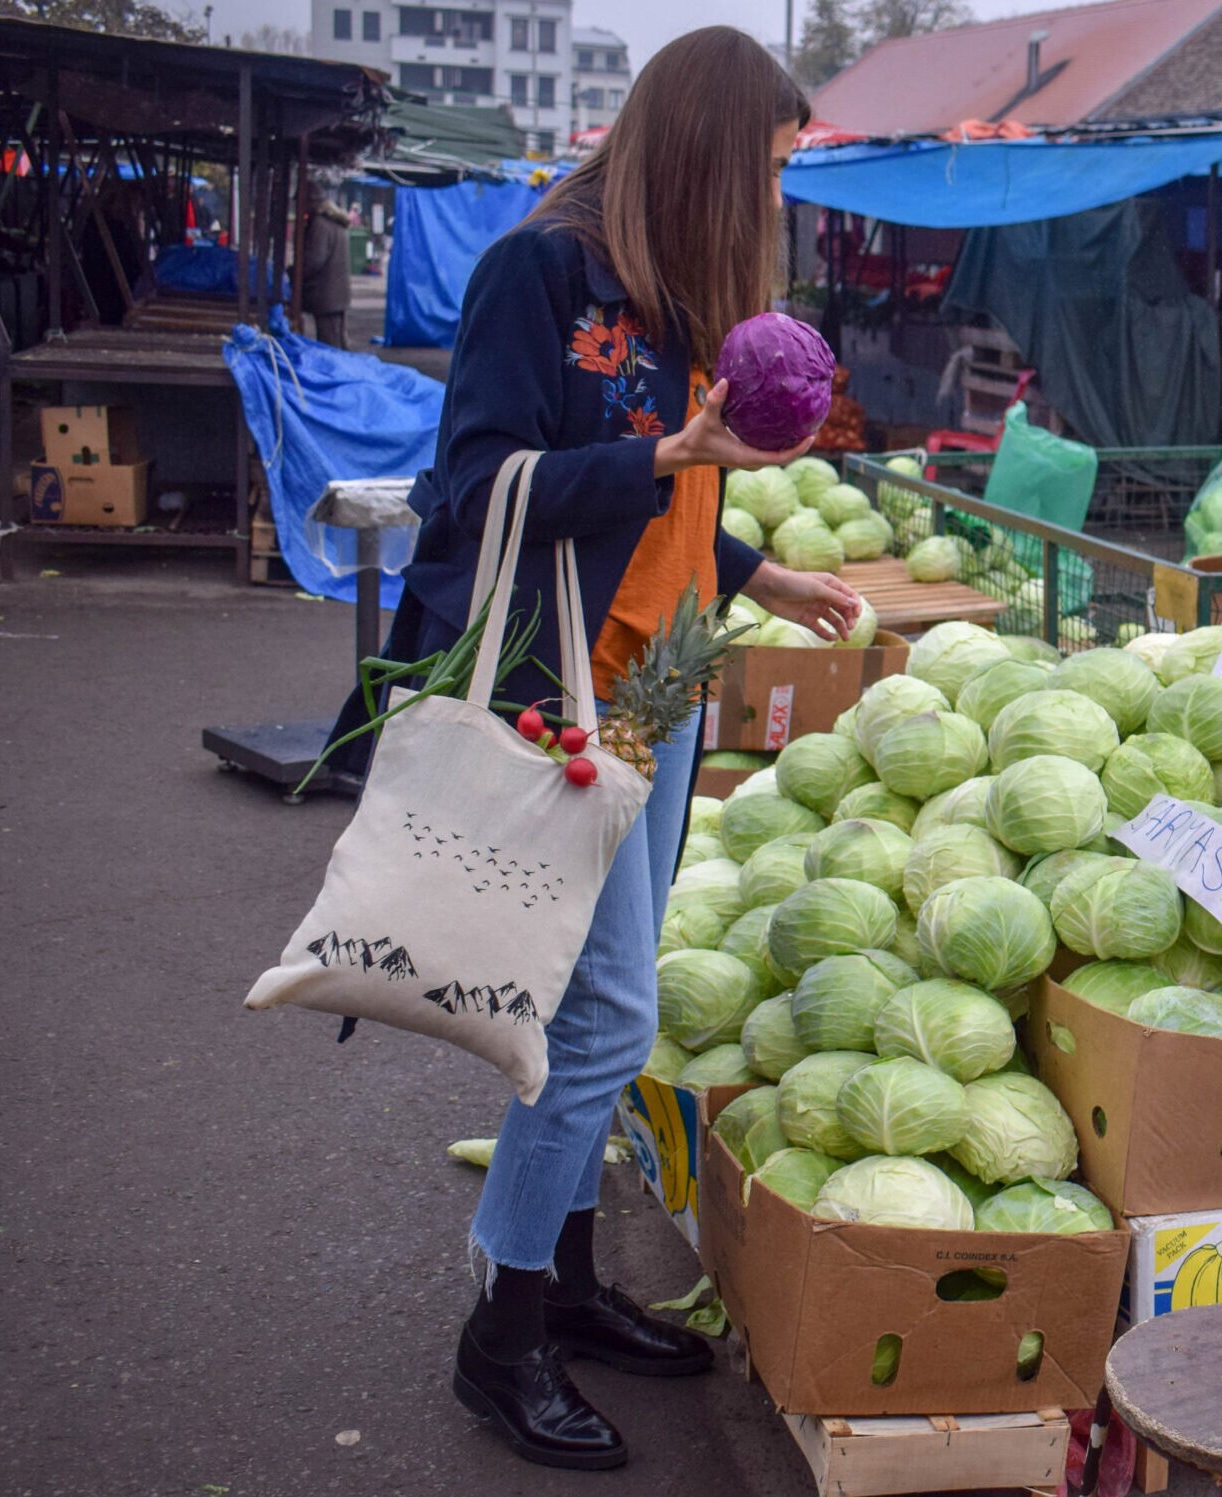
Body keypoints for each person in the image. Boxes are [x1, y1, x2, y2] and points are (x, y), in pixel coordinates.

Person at [331, 26, 861, 1473]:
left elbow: (664, 494)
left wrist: (758, 573)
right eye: (767, 169)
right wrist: (670, 459)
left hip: (660, 681)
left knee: (584, 1006)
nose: (774, 202)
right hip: (560, 694)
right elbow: (476, 485)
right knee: (608, 1022)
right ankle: (501, 1332)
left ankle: (565, 1284)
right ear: (706, 154)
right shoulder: (539, 271)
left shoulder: (677, 286)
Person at [300, 181, 351, 348]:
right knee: (338, 341)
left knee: (330, 344)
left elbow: (314, 259)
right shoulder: (334, 222)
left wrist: (295, 273)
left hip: (326, 295)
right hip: (337, 294)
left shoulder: (320, 224)